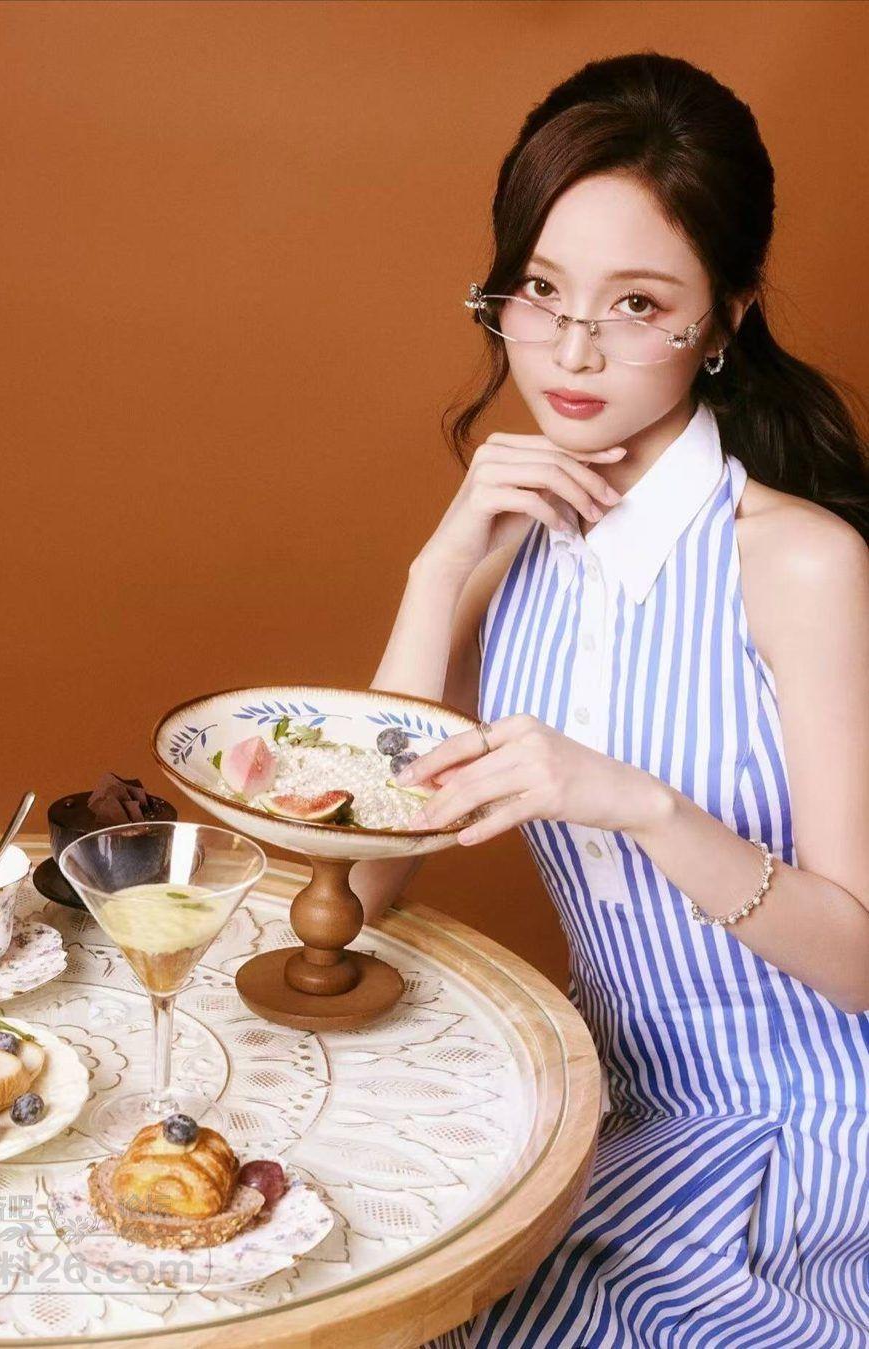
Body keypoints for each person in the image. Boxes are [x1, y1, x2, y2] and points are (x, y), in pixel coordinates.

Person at [348, 52, 869, 1349]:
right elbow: (355, 888)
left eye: (637, 304)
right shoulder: (510, 541)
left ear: (724, 319)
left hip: (801, 1134)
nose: (571, 352)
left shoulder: (798, 563)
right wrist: (436, 575)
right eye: (540, 291)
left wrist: (643, 805)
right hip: (592, 1104)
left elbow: (863, 963)